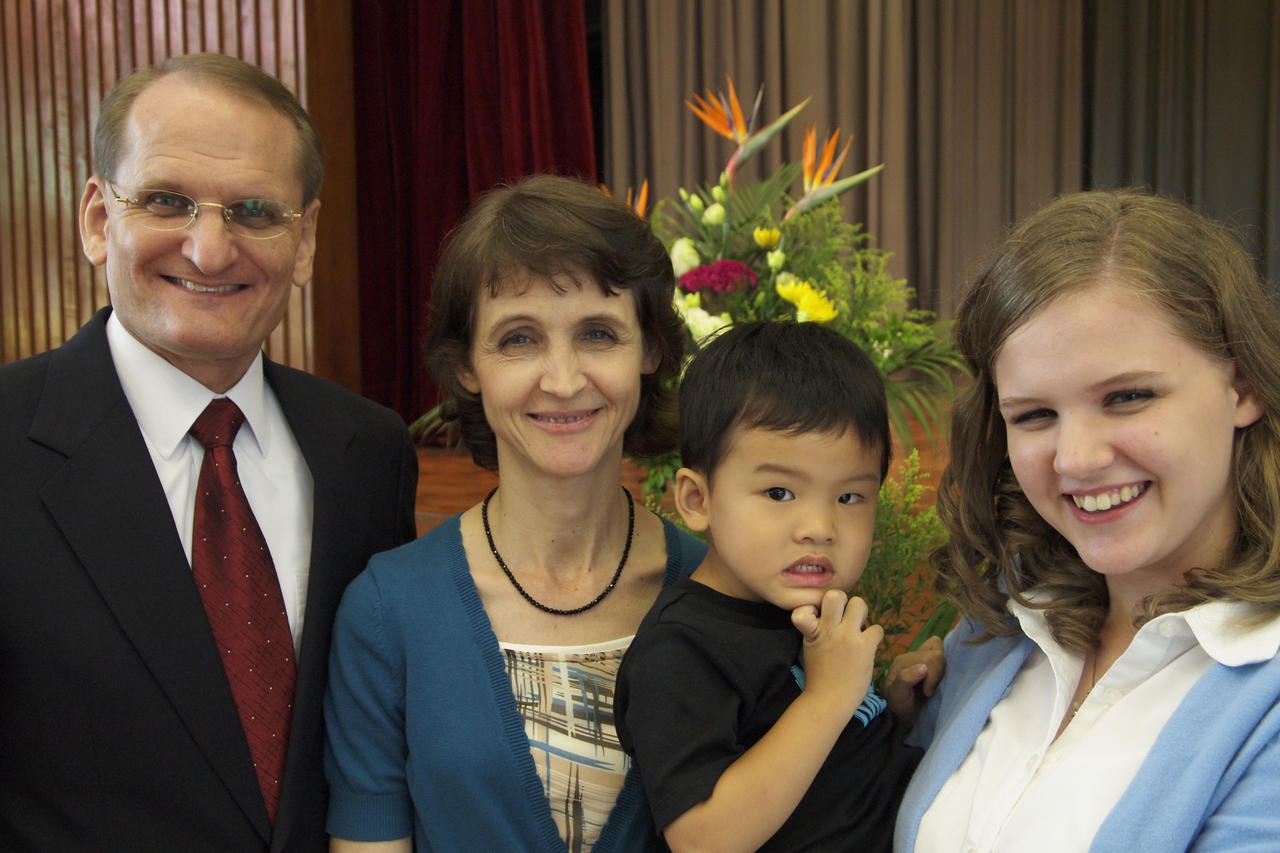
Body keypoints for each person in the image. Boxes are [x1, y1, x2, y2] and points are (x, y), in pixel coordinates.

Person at [0, 53, 419, 852]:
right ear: (98, 219)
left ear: (305, 241)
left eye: (255, 211)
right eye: (167, 201)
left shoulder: (366, 452)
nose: (211, 249)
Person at [323, 173, 707, 852]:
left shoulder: (718, 589)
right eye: (519, 339)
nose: (562, 380)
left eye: (598, 333)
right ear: (466, 365)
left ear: (650, 350)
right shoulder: (387, 612)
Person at [894, 190, 1280, 851]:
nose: (1075, 458)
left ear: (1241, 386)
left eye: (1127, 397)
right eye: (1034, 415)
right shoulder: (1002, 623)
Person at [615, 320, 928, 852]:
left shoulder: (808, 607)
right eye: (779, 493)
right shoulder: (681, 651)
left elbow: (839, 775)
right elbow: (703, 839)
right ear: (697, 500)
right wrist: (830, 696)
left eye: (849, 498)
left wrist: (897, 710)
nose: (820, 528)